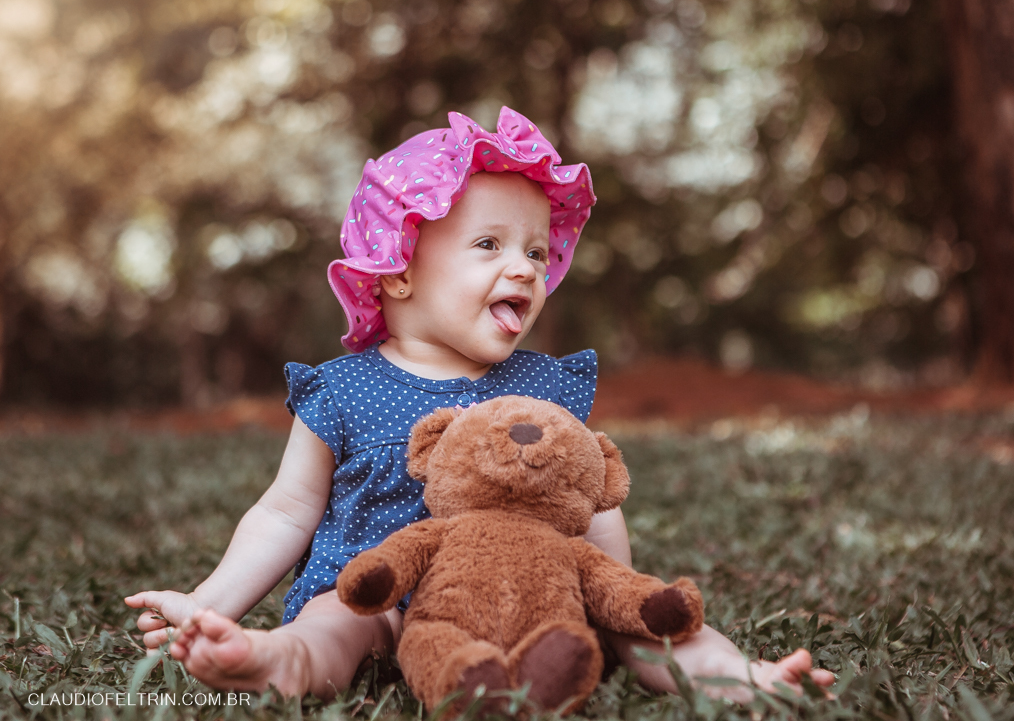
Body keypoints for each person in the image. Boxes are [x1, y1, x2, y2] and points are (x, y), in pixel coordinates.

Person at [125, 108, 835, 702]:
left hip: (536, 591)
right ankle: (275, 661)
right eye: (489, 244)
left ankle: (732, 675)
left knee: (647, 627)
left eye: (535, 249)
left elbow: (590, 500)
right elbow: (285, 512)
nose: (524, 266)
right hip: (384, 597)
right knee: (332, 624)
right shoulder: (340, 390)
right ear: (397, 270)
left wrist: (612, 586)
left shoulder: (546, 385)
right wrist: (211, 600)